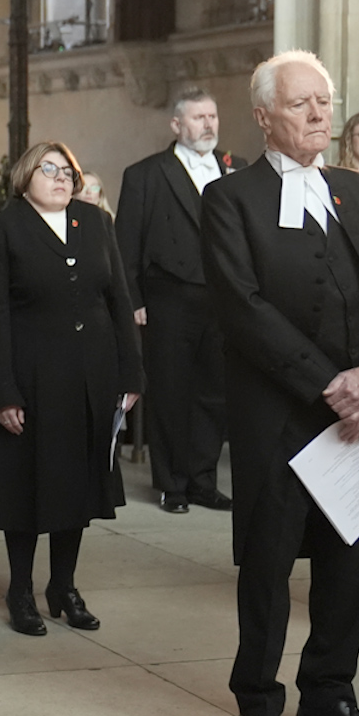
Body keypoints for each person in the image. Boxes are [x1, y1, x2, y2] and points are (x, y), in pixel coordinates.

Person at [202, 50, 359, 716]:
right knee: (267, 568)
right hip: (281, 418)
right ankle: (259, 708)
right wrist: (333, 386)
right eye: (302, 104)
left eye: (325, 101)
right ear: (264, 116)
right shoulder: (230, 199)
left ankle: (329, 700)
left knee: (353, 563)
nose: (320, 114)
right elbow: (243, 309)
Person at [0, 142, 143, 635]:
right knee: (26, 484)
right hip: (31, 376)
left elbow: (118, 299)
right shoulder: (1, 231)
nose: (61, 178)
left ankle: (63, 585)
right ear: (25, 176)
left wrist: (131, 375)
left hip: (90, 374)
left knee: (78, 484)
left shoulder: (95, 224)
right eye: (49, 170)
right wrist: (2, 391)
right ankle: (21, 588)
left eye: (68, 171)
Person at [115, 87, 234, 514]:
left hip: (224, 299)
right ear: (177, 125)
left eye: (213, 116)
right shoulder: (146, 173)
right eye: (199, 118)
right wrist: (133, 299)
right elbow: (126, 243)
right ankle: (172, 484)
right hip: (168, 297)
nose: (208, 125)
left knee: (214, 394)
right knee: (170, 392)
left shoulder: (233, 169)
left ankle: (203, 481)